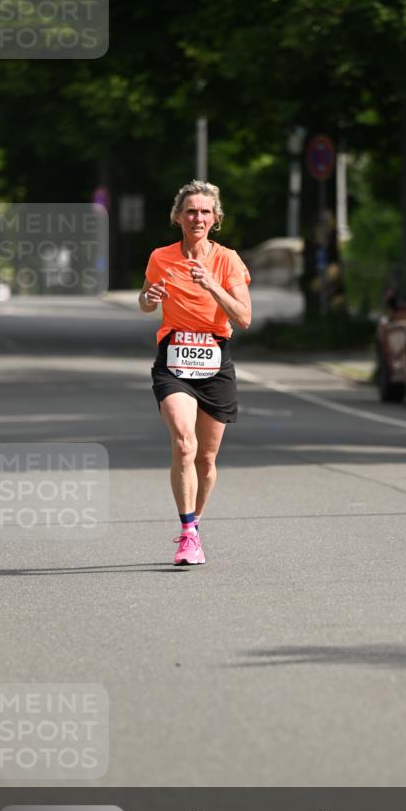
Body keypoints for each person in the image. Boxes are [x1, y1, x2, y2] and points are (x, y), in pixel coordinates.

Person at [139, 180, 252, 565]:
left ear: (216, 219)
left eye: (205, 212)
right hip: (173, 360)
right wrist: (147, 297)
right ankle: (187, 534)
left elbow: (244, 317)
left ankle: (196, 522)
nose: (197, 218)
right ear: (178, 217)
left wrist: (214, 285)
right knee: (183, 444)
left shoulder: (228, 260)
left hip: (215, 361)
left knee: (205, 458)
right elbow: (144, 301)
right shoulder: (160, 257)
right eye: (190, 211)